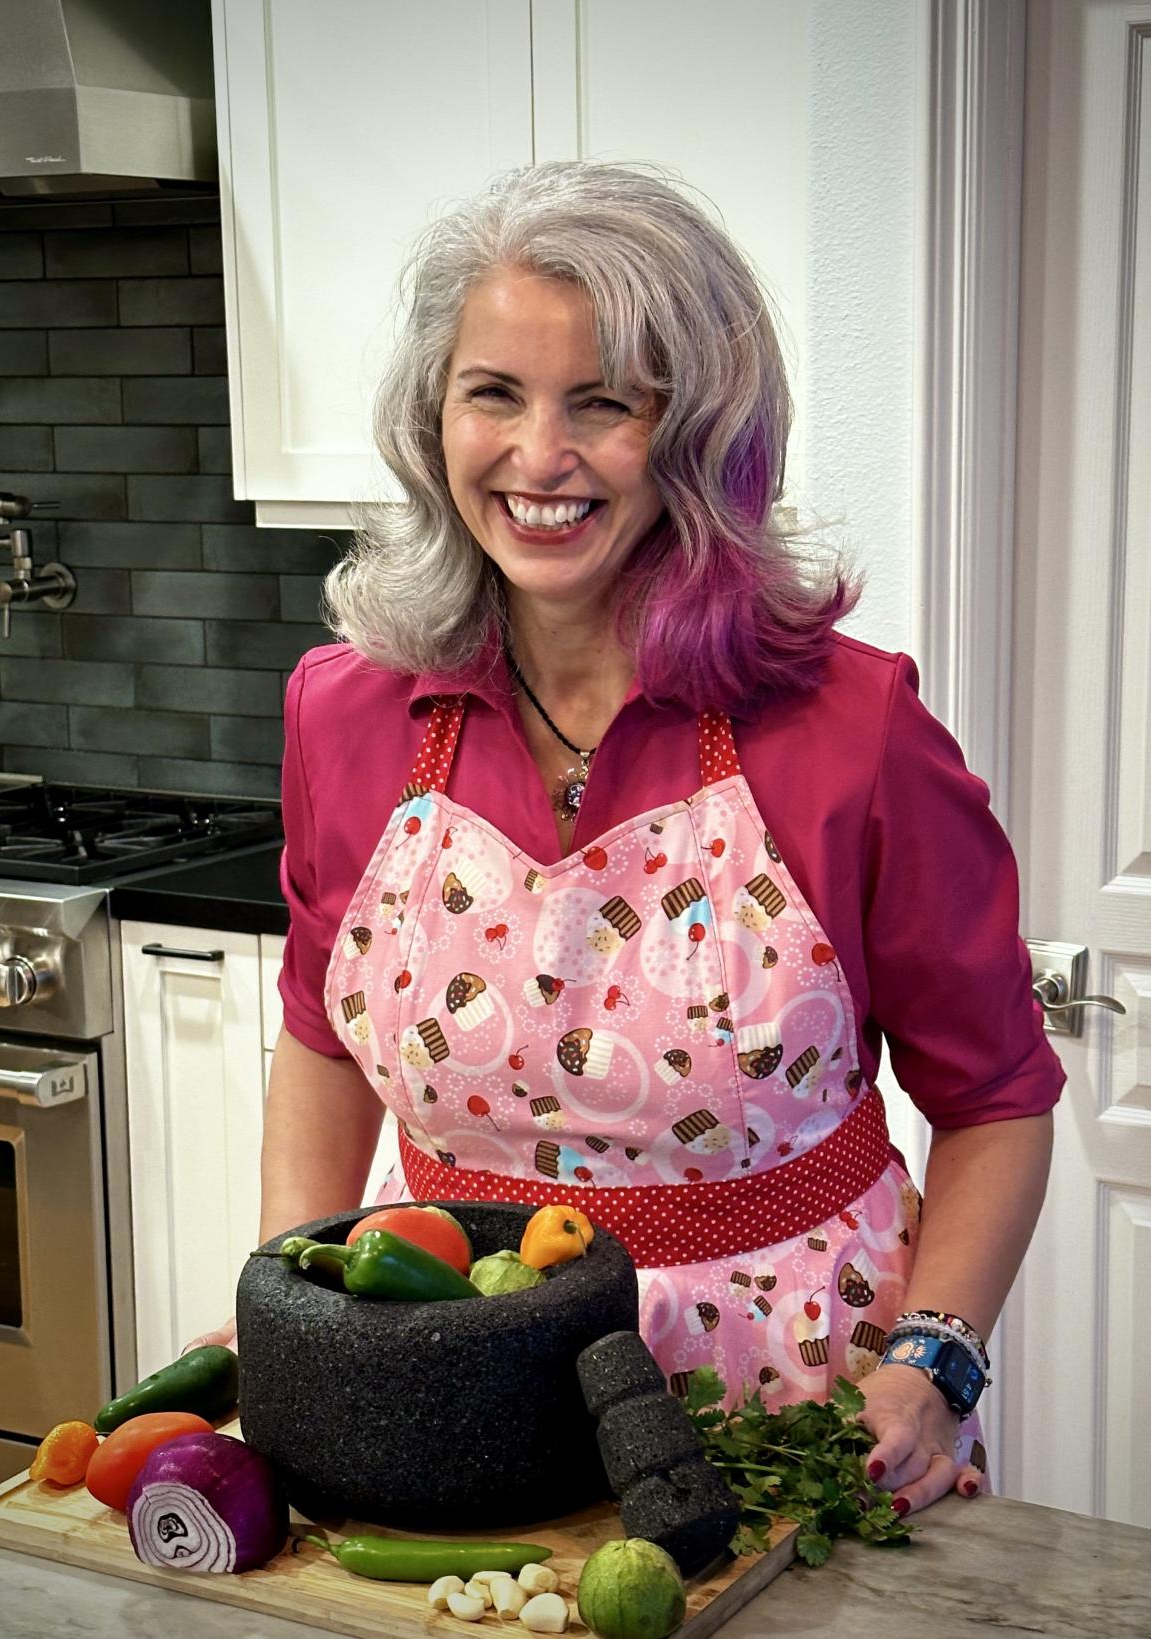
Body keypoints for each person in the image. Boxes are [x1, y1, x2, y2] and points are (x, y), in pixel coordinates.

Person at [191, 161, 1063, 1518]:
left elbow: (997, 1096)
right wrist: (296, 1304)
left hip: (796, 1410)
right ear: (434, 416)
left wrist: (934, 1364)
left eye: (604, 403)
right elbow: (320, 1035)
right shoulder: (347, 710)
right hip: (451, 1387)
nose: (539, 456)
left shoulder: (852, 729)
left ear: (698, 434)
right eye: (495, 393)